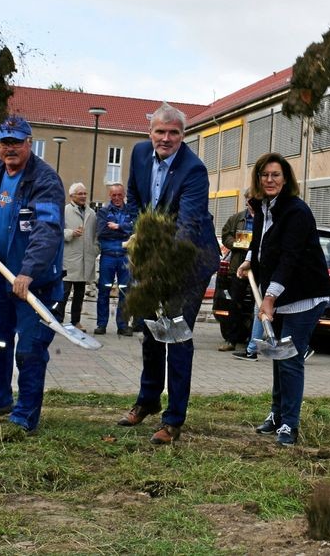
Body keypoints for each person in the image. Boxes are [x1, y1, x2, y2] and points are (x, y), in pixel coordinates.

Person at [116, 102, 219, 445]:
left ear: (183, 135)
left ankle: (173, 419)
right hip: (154, 254)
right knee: (150, 330)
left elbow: (187, 225)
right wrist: (136, 231)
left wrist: (159, 257)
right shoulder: (140, 153)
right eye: (160, 131)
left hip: (189, 260)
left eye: (173, 132)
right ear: (150, 133)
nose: (166, 138)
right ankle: (146, 400)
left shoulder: (194, 170)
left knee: (175, 333)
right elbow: (133, 199)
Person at [0, 116, 66, 434]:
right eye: (5, 142)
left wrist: (28, 271)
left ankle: (25, 414)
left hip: (35, 284)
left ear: (29, 143)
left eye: (16, 142)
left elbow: (47, 231)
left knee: (30, 349)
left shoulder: (45, 180)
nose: (10, 148)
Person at [236, 153, 330, 446]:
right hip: (281, 293)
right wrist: (250, 260)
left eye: (276, 175)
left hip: (305, 295)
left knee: (289, 360)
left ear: (286, 178)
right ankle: (277, 415)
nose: (270, 180)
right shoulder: (263, 207)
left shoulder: (297, 211)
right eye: (265, 175)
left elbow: (290, 257)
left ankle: (290, 424)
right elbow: (261, 243)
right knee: (278, 358)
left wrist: (269, 297)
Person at [94, 183, 133, 336]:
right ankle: (101, 324)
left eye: (119, 194)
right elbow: (102, 232)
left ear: (124, 195)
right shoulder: (103, 212)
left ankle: (122, 325)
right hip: (108, 257)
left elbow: (136, 228)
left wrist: (118, 226)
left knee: (125, 292)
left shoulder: (131, 210)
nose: (117, 198)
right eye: (114, 195)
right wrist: (125, 229)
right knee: (104, 290)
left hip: (125, 257)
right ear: (110, 196)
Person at [218, 190, 254, 352]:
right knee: (235, 305)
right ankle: (231, 340)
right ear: (246, 200)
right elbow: (225, 235)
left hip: (258, 270)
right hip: (238, 268)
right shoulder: (236, 219)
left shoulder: (265, 218)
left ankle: (254, 342)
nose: (252, 202)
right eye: (249, 199)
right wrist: (237, 244)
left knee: (257, 306)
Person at [58, 182, 96, 330]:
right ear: (72, 195)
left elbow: (96, 235)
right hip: (69, 258)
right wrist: (71, 233)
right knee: (63, 293)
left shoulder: (92, 213)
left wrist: (95, 250)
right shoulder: (64, 211)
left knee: (80, 295)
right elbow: (56, 231)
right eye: (80, 194)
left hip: (85, 260)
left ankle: (76, 321)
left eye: (85, 193)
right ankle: (58, 320)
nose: (83, 196)